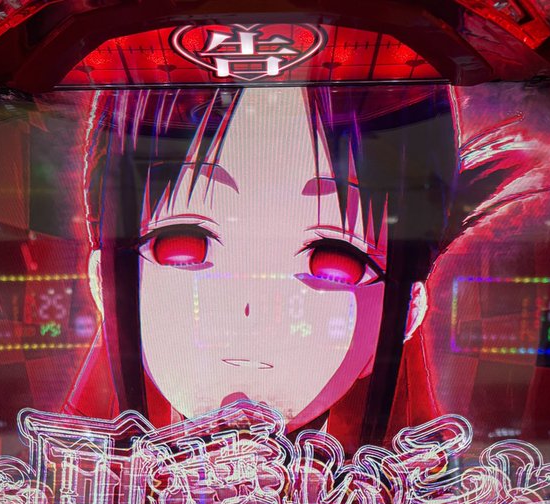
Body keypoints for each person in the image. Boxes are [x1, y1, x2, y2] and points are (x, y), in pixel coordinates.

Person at [65, 83, 456, 451]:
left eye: (331, 261)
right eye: (185, 246)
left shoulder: (410, 483)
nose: (250, 310)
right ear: (103, 283)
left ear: (408, 312)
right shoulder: (81, 480)